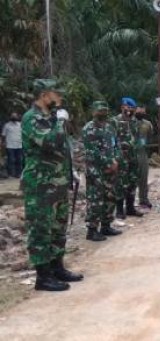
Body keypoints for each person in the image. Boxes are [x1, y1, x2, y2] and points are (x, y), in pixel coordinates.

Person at [22, 79, 83, 291]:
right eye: (57, 93)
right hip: (40, 184)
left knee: (58, 228)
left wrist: (71, 170)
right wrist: (59, 121)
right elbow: (49, 142)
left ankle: (58, 268)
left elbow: (62, 147)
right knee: (41, 229)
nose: (60, 97)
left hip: (58, 182)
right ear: (45, 95)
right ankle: (43, 277)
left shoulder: (51, 117)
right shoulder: (32, 118)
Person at [82, 101, 122, 242]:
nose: (102, 114)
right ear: (93, 112)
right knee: (95, 199)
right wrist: (109, 162)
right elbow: (92, 151)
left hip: (110, 169)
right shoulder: (88, 129)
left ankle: (106, 225)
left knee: (110, 196)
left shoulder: (110, 128)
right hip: (96, 170)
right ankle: (92, 230)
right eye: (99, 111)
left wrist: (116, 160)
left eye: (104, 111)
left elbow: (116, 145)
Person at [110, 97, 144, 219]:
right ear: (122, 107)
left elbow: (138, 138)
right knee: (120, 183)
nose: (129, 110)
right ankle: (119, 210)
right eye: (127, 107)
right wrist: (115, 155)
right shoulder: (114, 121)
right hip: (121, 157)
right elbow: (111, 139)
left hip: (133, 156)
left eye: (131, 108)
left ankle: (130, 208)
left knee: (133, 181)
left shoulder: (135, 122)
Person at [135, 106, 154, 208]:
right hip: (130, 152)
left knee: (143, 177)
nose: (141, 112)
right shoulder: (129, 122)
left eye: (143, 110)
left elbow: (150, 137)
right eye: (139, 110)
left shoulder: (148, 124)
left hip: (142, 152)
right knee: (129, 179)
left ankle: (143, 199)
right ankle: (128, 202)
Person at [2, 112, 23, 178]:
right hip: (10, 145)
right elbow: (3, 135)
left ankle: (18, 174)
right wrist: (3, 143)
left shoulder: (20, 125)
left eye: (15, 116)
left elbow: (23, 134)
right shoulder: (7, 125)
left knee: (19, 160)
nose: (14, 117)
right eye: (12, 116)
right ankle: (10, 174)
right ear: (10, 117)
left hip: (19, 145)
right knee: (10, 160)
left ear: (17, 117)